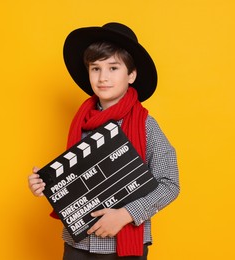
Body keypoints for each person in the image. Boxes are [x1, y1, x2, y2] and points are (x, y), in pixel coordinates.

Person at [28, 22, 180, 259]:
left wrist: (126, 214)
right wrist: (46, 185)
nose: (103, 77)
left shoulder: (145, 125)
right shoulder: (81, 122)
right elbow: (80, 181)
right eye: (95, 69)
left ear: (131, 74)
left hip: (122, 247)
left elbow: (170, 183)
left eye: (113, 68)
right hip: (77, 243)